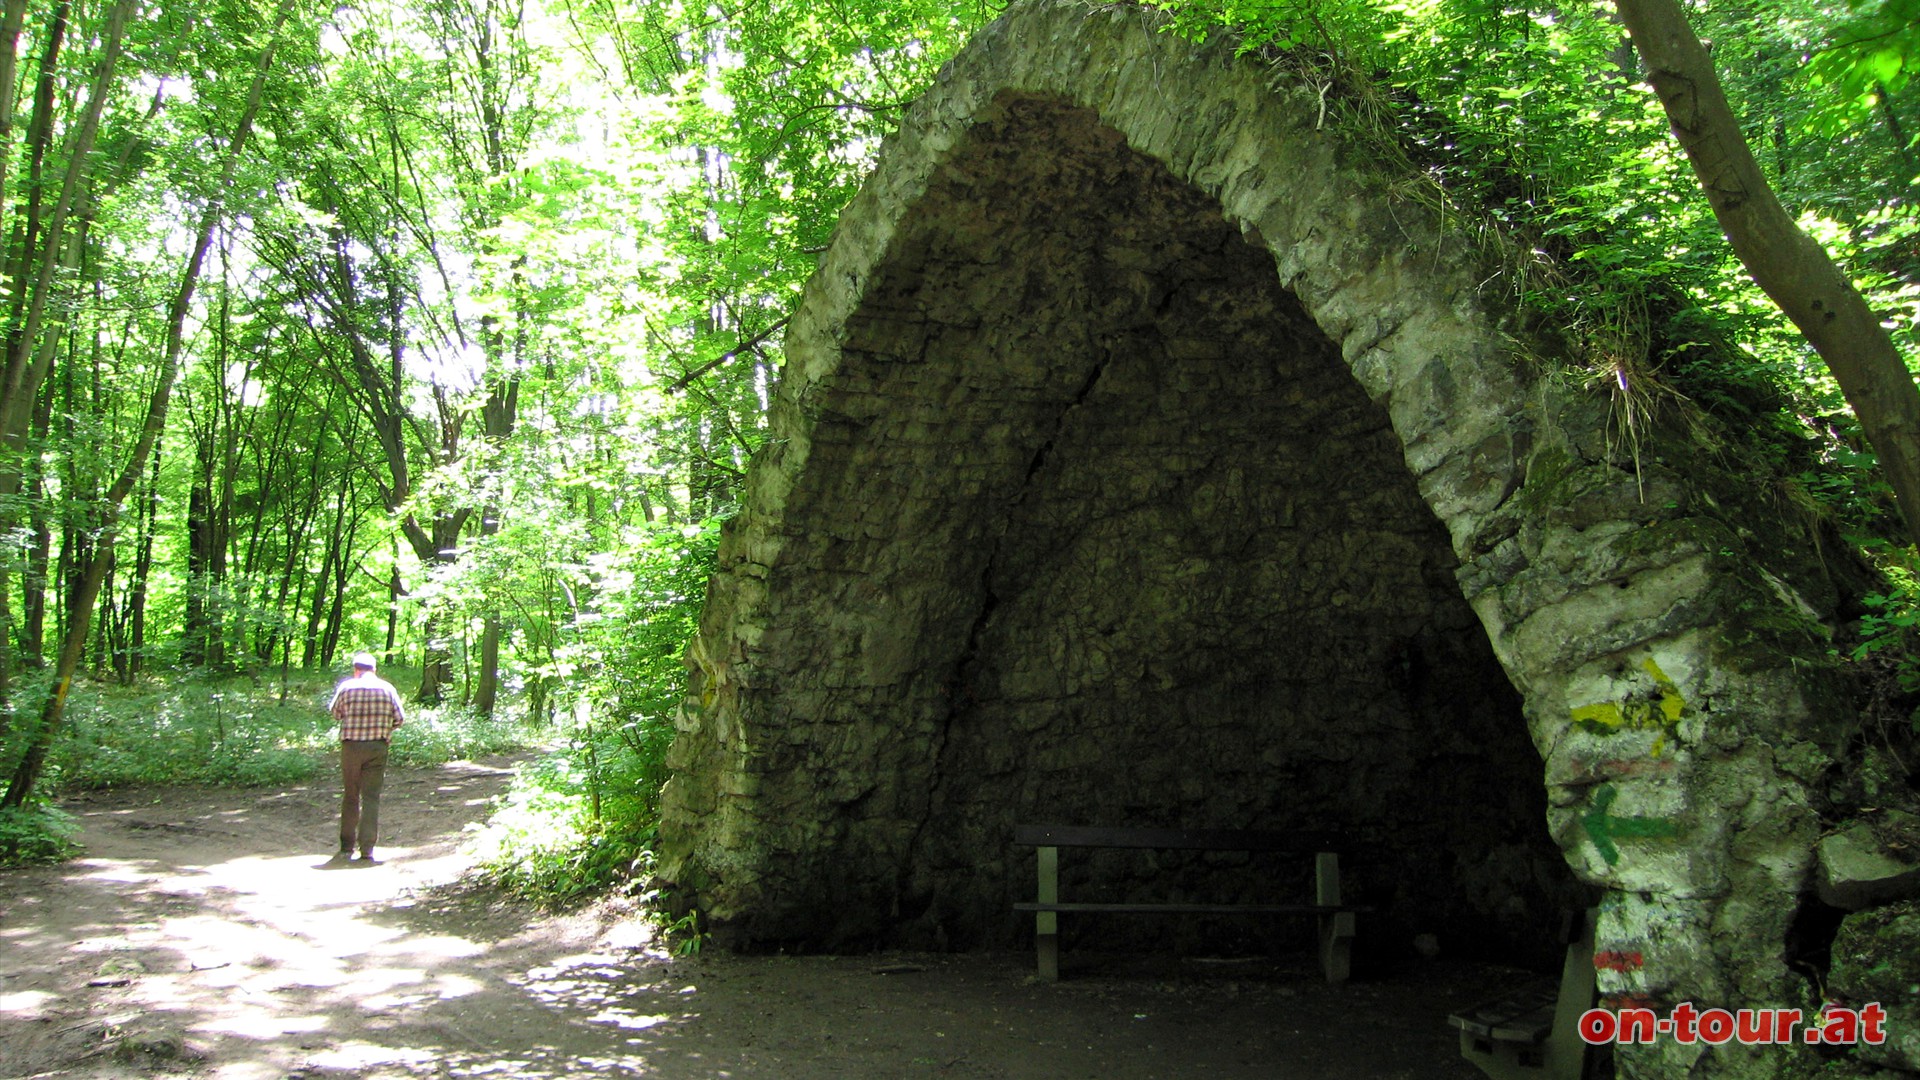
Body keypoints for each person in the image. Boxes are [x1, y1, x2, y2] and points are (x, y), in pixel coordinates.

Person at [329, 651, 404, 864]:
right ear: (374, 670)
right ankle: (367, 849)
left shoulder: (346, 687)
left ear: (356, 669)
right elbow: (399, 719)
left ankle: (346, 847)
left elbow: (335, 713)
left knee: (351, 795)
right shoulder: (387, 689)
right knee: (371, 797)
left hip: (351, 747)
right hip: (377, 747)